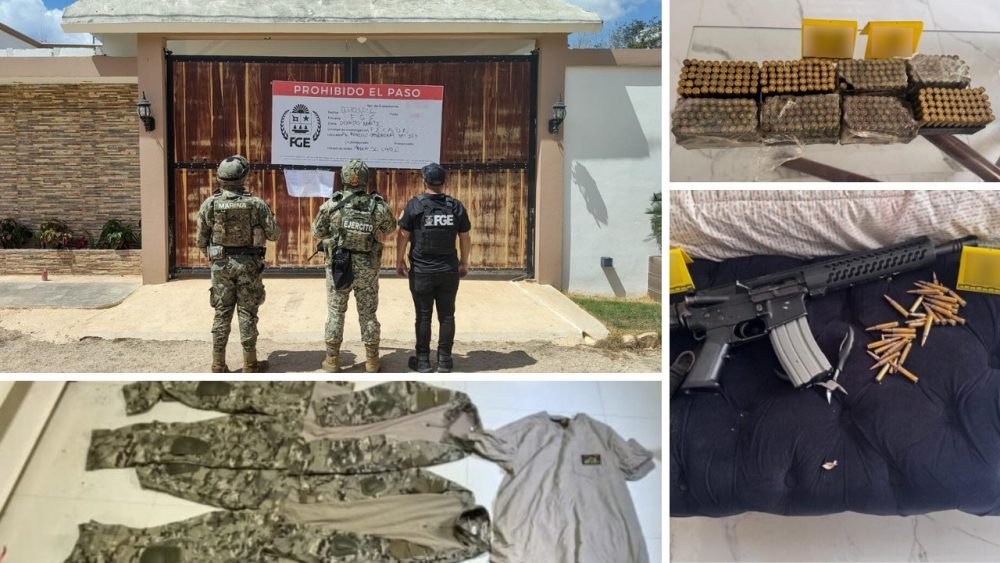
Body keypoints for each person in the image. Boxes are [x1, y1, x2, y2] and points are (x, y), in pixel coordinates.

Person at [195, 155, 279, 373]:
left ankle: (218, 363)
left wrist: (216, 259)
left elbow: (201, 241)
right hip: (248, 265)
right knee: (247, 312)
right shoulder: (256, 204)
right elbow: (274, 234)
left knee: (222, 311)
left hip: (221, 265)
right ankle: (250, 364)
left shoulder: (210, 204)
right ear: (244, 177)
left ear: (220, 178)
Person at [312, 159, 395, 373]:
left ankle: (332, 360)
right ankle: (372, 361)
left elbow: (317, 231)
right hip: (367, 267)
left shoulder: (333, 204)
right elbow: (390, 227)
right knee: (368, 313)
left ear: (344, 178)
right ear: (365, 180)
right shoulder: (376, 205)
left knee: (335, 312)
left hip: (339, 267)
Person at [396, 162, 471, 373]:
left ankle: (422, 361)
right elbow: (464, 237)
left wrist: (398, 260)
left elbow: (403, 236)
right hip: (448, 270)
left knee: (423, 315)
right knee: (447, 315)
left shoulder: (415, 205)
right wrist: (464, 262)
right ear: (444, 182)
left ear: (424, 181)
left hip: (422, 271)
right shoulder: (455, 206)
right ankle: (445, 360)